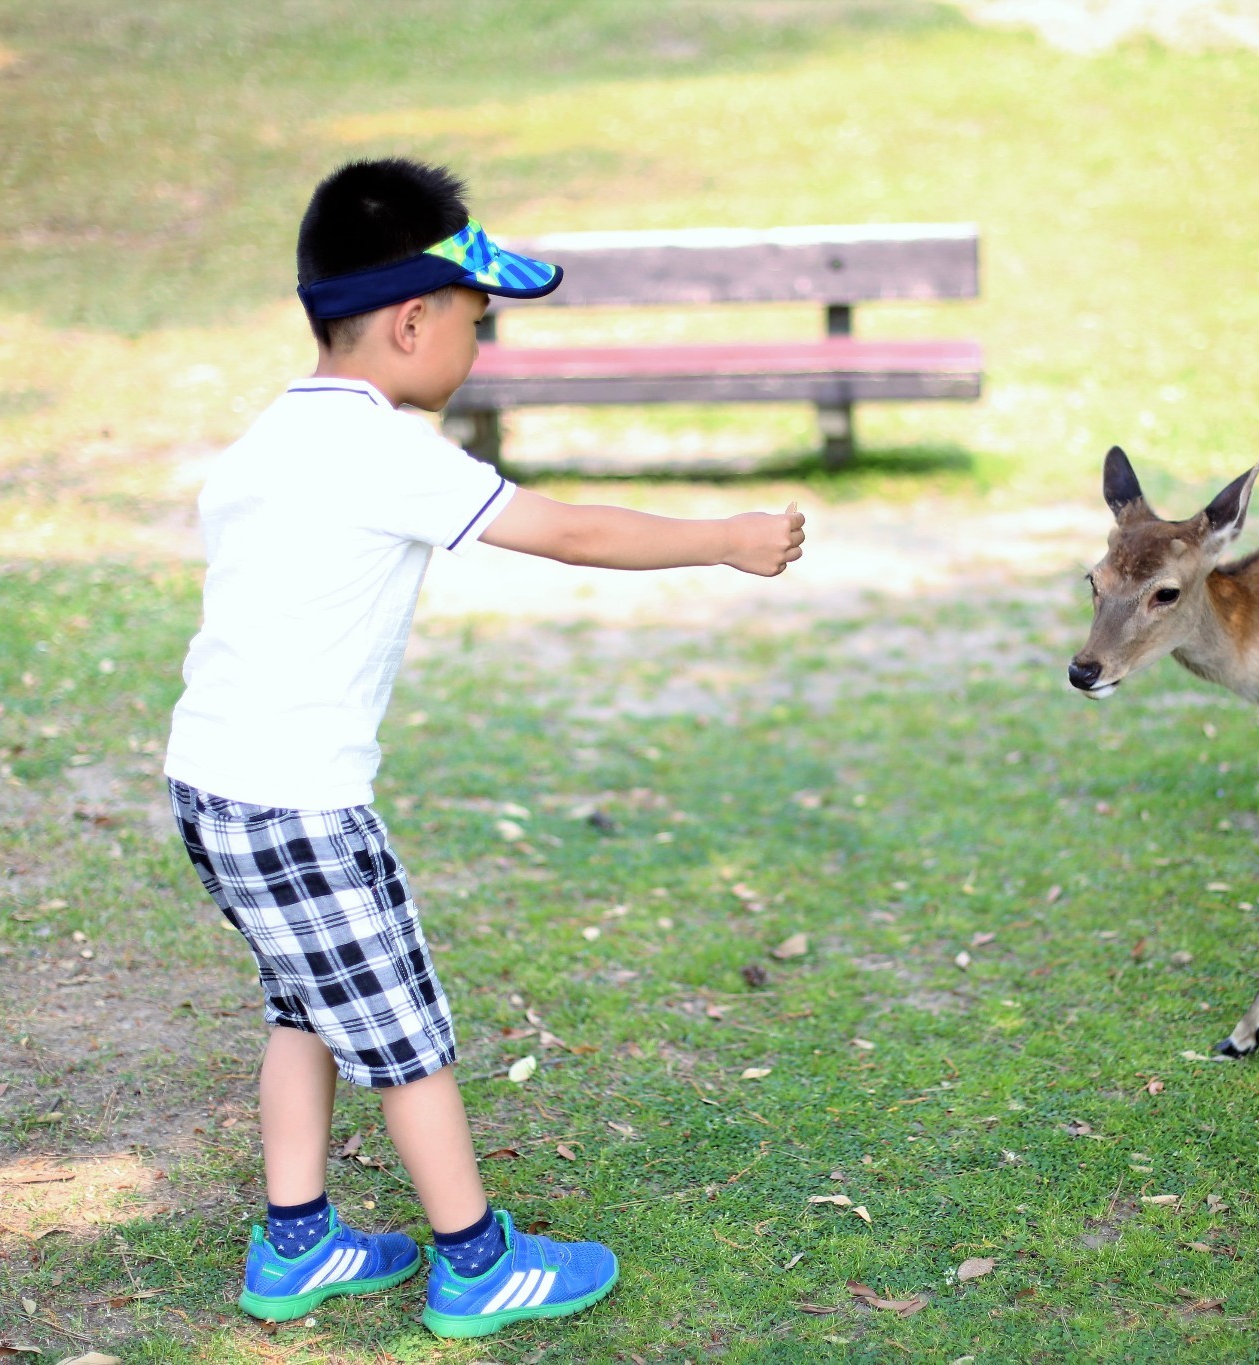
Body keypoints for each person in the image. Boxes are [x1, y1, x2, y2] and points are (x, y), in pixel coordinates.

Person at [162, 158, 805, 1339]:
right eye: (475, 321)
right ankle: (473, 1261)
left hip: (213, 787)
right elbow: (562, 529)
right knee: (407, 1038)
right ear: (411, 322)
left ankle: (297, 1242)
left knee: (302, 1004)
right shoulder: (384, 453)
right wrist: (725, 537)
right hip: (300, 804)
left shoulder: (269, 440)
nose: (479, 347)